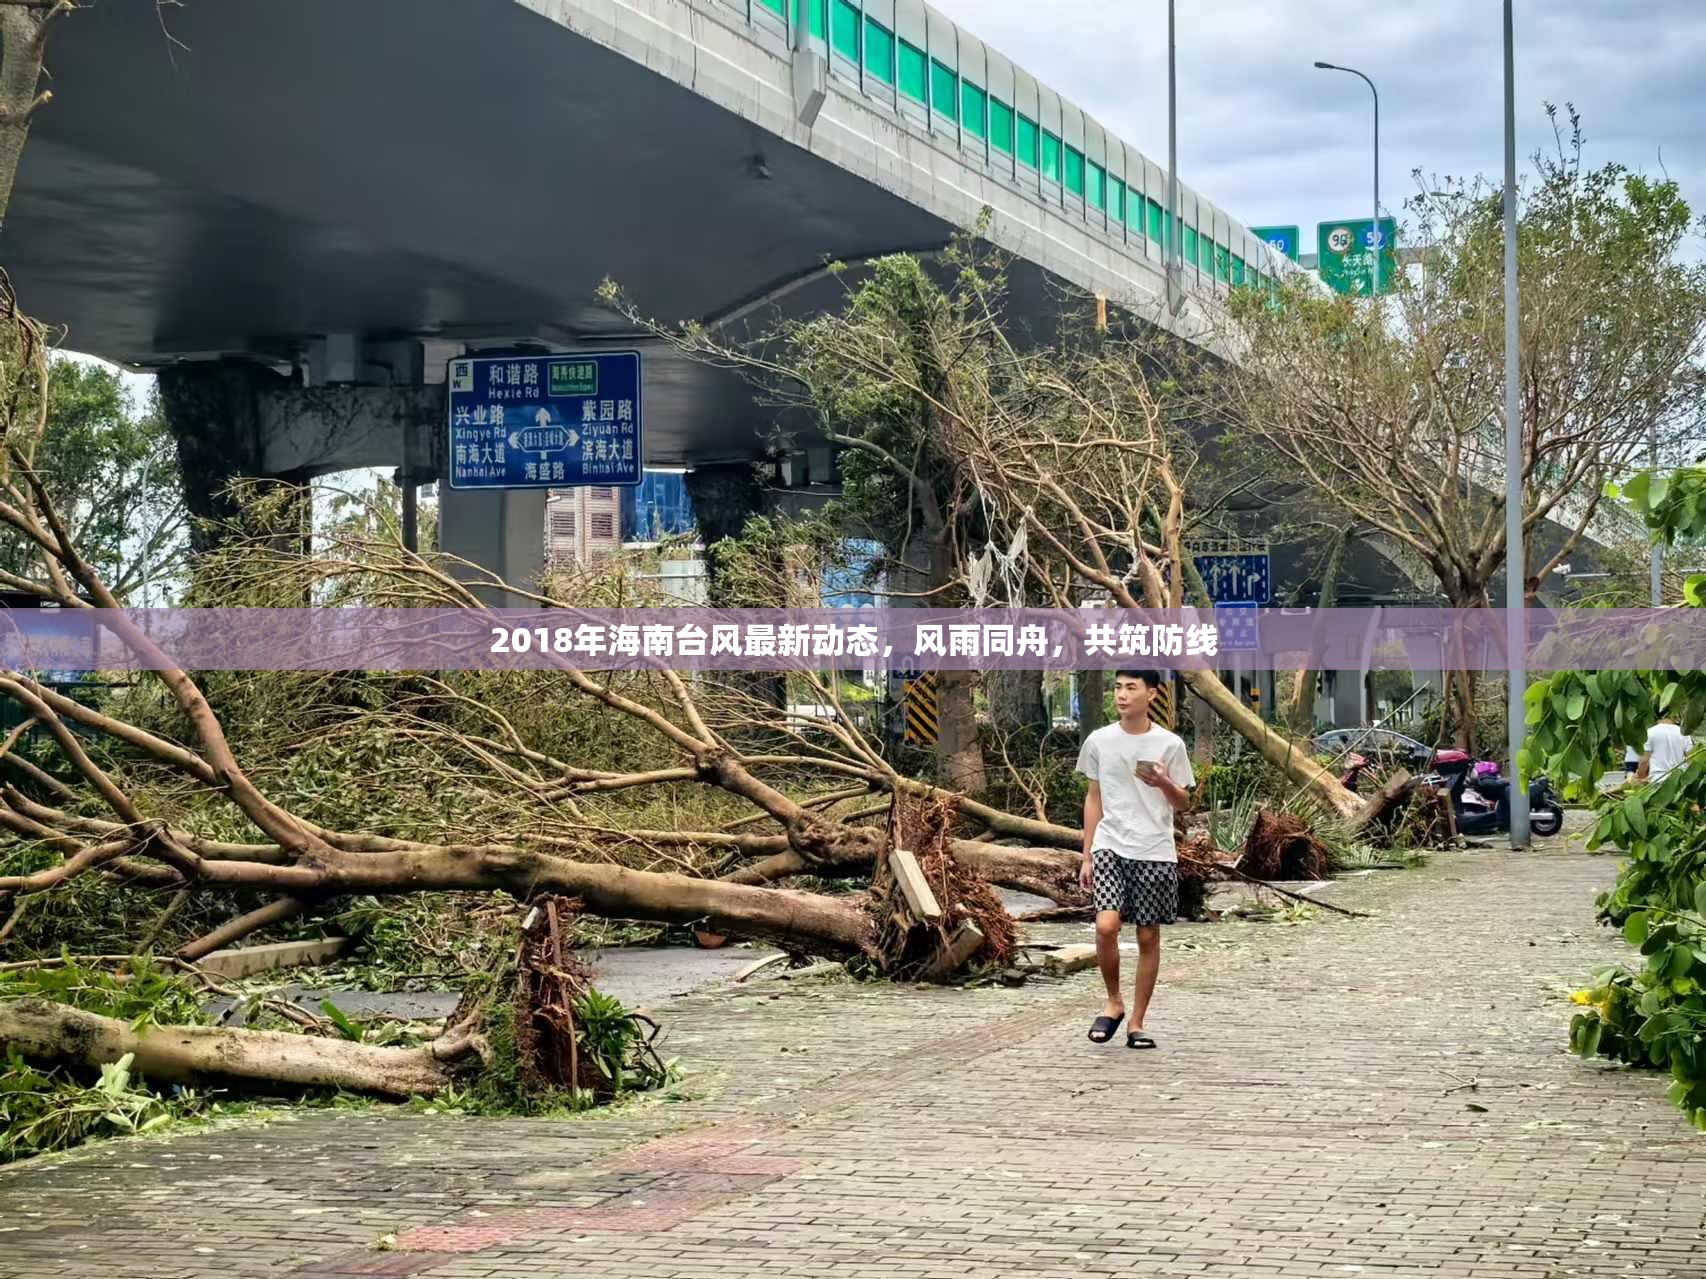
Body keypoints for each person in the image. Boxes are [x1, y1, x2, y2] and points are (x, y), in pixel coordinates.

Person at [1076, 669, 1194, 1050]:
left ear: (1151, 694)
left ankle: (1138, 1023)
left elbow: (1185, 802)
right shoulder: (1099, 741)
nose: (1122, 695)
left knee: (1147, 934)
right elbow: (1094, 797)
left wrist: (1163, 782)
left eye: (1131, 688)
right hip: (1110, 843)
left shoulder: (1170, 744)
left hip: (1155, 848)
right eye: (1117, 687)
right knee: (1107, 925)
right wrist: (1087, 854)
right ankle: (1113, 1002)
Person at [1637, 712, 1693, 786]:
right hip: (1679, 780)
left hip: (1658, 779)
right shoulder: (1683, 733)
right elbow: (1691, 759)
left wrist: (1641, 777)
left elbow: (1644, 761)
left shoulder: (1650, 732)